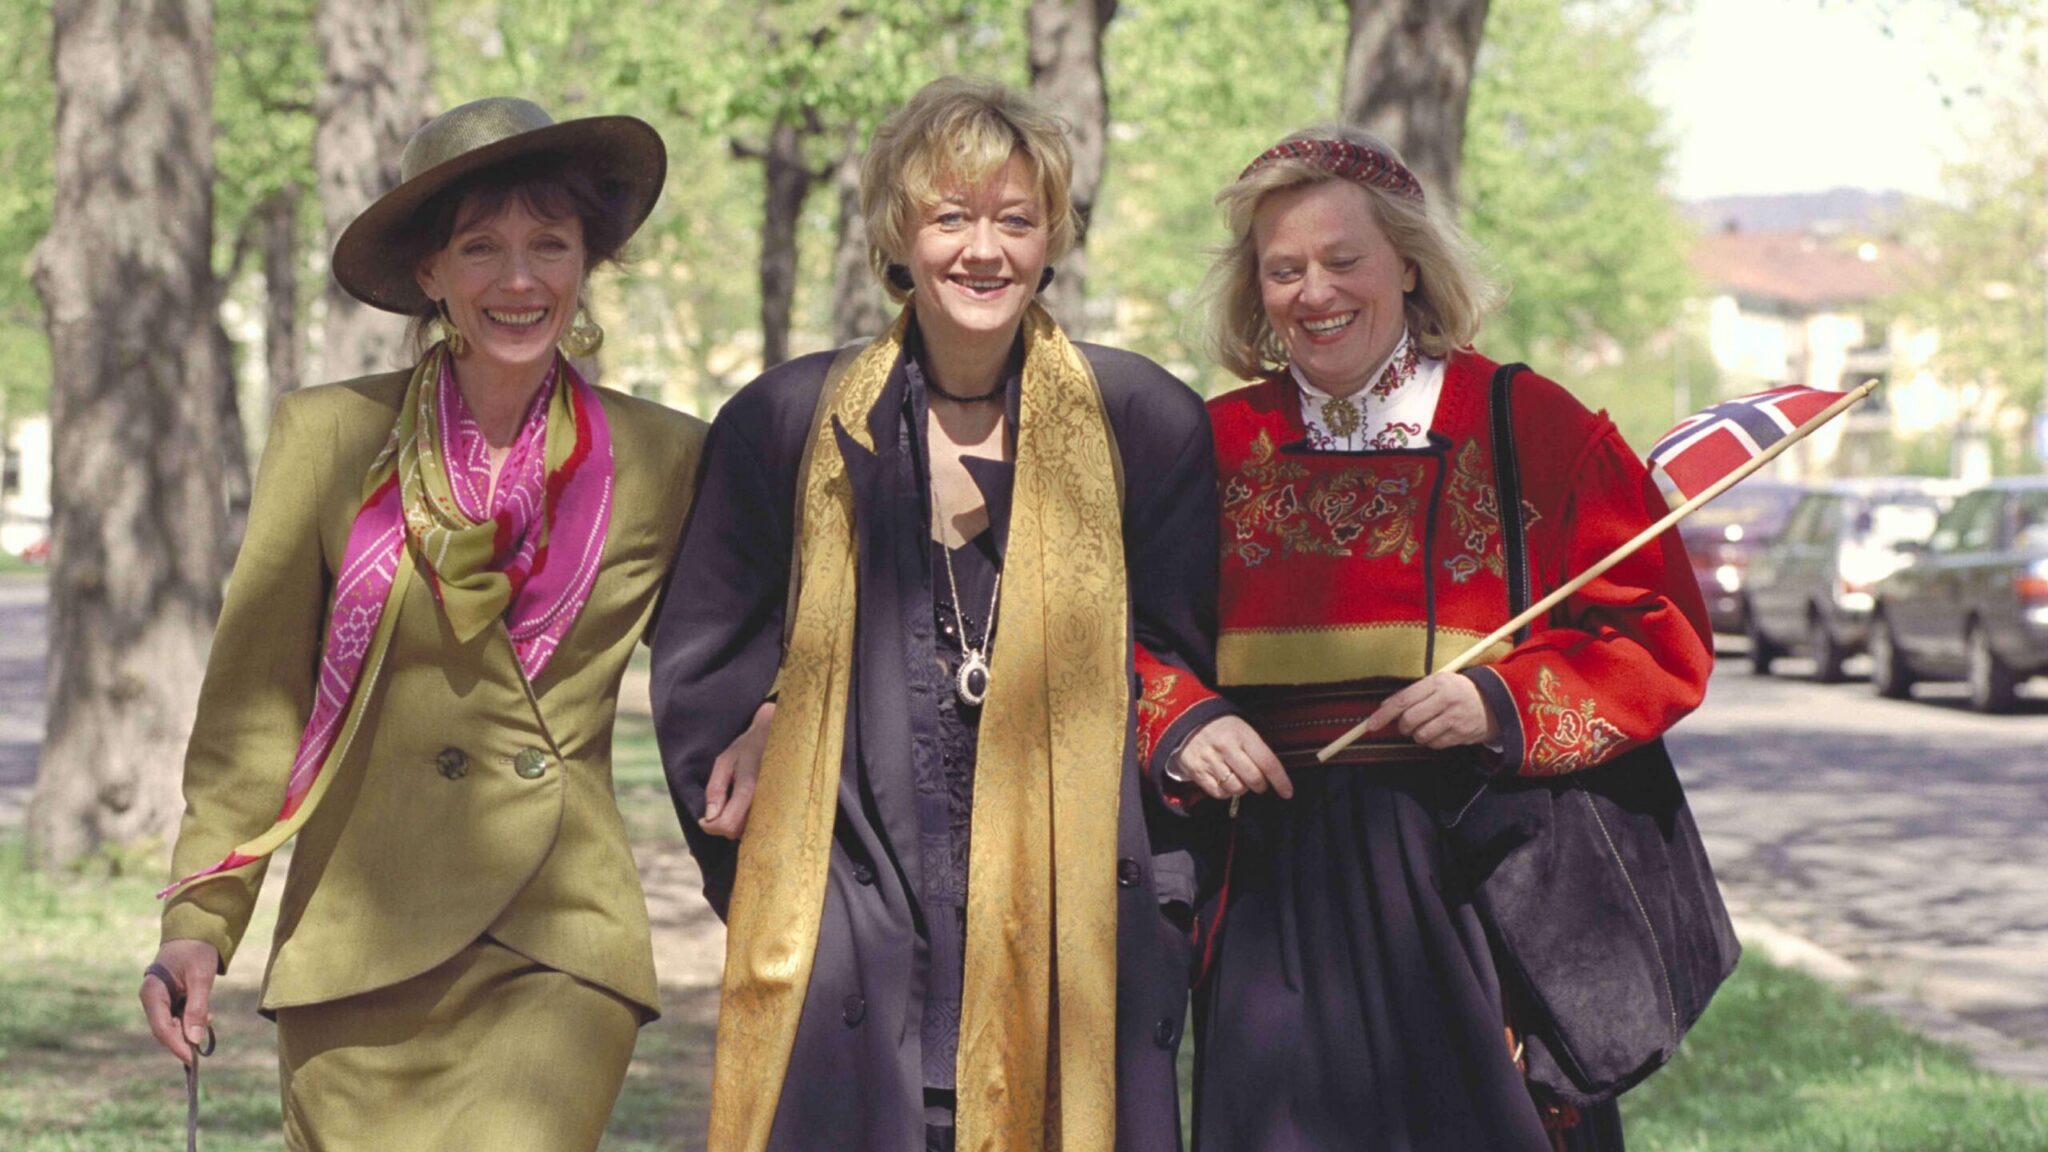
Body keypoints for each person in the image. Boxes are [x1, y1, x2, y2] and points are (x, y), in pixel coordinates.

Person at [649, 76, 1220, 1152]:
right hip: (851, 932)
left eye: (1016, 219)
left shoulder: (1143, 423)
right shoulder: (785, 422)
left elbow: (1175, 661)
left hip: (1073, 929)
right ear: (896, 232)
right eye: (951, 216)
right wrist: (777, 736)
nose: (983, 250)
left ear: (1051, 236)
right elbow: (702, 666)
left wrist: (1161, 908)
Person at [138, 97, 706, 1151]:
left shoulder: (667, 457)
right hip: (357, 937)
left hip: (558, 934)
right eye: (480, 247)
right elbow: (255, 710)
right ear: (431, 274)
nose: (519, 279)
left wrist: (766, 714)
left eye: (550, 244)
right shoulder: (328, 434)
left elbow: (723, 662)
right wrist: (200, 922)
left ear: (587, 264)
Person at [1135, 127, 1714, 1151]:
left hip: (1482, 891)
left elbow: (1654, 635)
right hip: (1272, 890)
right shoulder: (1211, 446)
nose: (1314, 292)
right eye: (1283, 269)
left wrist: (1501, 702)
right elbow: (1117, 633)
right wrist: (1184, 720)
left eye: (1342, 259)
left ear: (1407, 262)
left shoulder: (1530, 425)